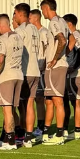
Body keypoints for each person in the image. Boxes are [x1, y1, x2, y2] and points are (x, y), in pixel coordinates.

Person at [40, 0, 70, 146]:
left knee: (57, 100)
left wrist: (55, 58)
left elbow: (63, 40)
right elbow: (71, 42)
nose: (42, 12)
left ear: (46, 8)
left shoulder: (53, 22)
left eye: (42, 9)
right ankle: (46, 133)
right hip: (59, 65)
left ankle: (59, 134)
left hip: (56, 67)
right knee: (50, 100)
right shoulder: (63, 21)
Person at [0, 14, 24, 151]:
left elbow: (0, 59)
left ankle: (10, 142)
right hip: (18, 74)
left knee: (6, 109)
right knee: (12, 109)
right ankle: (13, 137)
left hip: (7, 76)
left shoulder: (2, 39)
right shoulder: (18, 37)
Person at [13, 3, 41, 148]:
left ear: (19, 13)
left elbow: (14, 49)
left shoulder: (20, 30)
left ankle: (21, 135)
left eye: (15, 13)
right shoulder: (35, 29)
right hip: (36, 71)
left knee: (21, 105)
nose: (14, 16)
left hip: (24, 71)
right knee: (30, 104)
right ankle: (28, 138)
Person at [63, 13, 80, 141]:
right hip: (68, 74)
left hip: (75, 74)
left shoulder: (77, 36)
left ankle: (78, 131)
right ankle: (65, 129)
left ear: (69, 24)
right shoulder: (71, 36)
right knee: (65, 101)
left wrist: (73, 67)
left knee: (76, 102)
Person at [29, 9, 49, 139]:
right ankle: (40, 126)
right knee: (37, 99)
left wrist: (44, 65)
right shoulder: (34, 32)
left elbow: (47, 49)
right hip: (36, 70)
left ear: (35, 18)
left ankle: (42, 127)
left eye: (30, 18)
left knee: (42, 99)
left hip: (43, 70)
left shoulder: (44, 32)